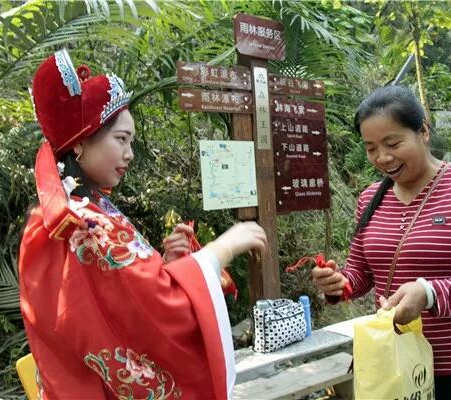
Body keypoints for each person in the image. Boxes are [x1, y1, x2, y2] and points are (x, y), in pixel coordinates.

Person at [18, 49, 267, 399]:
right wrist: (222, 248)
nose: (129, 153)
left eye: (131, 141)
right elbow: (163, 311)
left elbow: (120, 305)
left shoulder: (56, 217)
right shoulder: (88, 223)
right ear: (80, 143)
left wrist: (170, 266)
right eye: (121, 139)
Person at [311, 85, 451, 399]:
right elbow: (360, 275)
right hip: (394, 369)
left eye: (393, 143)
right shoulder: (370, 198)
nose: (382, 157)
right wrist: (337, 284)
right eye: (370, 148)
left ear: (423, 130)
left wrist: (429, 293)